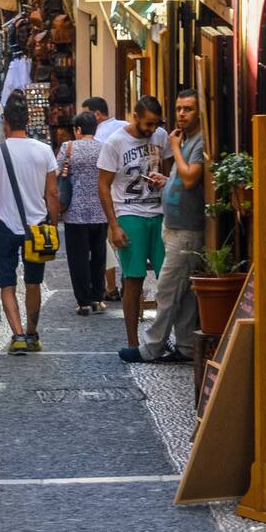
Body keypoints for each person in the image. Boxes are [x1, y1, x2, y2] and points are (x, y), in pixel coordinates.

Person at [0, 95, 61, 355]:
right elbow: (52, 194)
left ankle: (17, 335)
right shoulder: (44, 151)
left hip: (4, 226)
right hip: (37, 227)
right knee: (33, 283)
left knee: (7, 284)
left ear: (4, 121)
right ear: (29, 121)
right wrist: (52, 224)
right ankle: (32, 335)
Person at [124, 88, 204, 363]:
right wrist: (165, 181)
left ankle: (152, 348)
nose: (182, 114)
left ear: (199, 112)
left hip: (187, 228)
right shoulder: (187, 140)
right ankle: (185, 346)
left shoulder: (197, 143)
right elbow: (181, 181)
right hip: (174, 225)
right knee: (182, 293)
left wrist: (177, 150)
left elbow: (192, 178)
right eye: (179, 108)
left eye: (189, 109)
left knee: (167, 290)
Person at [98, 96, 170, 354]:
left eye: (155, 124)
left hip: (159, 213)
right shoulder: (115, 142)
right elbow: (103, 185)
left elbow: (170, 168)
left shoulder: (161, 136)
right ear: (135, 116)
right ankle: (132, 342)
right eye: (147, 124)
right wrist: (114, 225)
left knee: (167, 280)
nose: (151, 130)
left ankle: (162, 339)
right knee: (133, 279)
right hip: (129, 213)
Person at [56, 111, 109, 315]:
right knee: (98, 255)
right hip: (100, 210)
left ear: (78, 129)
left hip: (75, 212)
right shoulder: (104, 148)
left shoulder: (68, 148)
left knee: (78, 258)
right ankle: (98, 297)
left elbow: (55, 172)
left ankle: (84, 302)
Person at [84, 96, 126, 301]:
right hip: (130, 196)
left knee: (105, 244)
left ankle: (110, 286)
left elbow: (98, 172)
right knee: (127, 243)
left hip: (109, 195)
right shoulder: (124, 126)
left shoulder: (98, 136)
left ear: (96, 114)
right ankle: (126, 282)